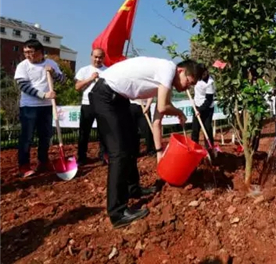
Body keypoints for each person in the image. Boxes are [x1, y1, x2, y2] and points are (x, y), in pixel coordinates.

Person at [89, 57, 202, 228]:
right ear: (181, 71)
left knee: (131, 145)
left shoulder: (166, 79)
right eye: (189, 81)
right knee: (119, 154)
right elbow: (164, 107)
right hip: (105, 97)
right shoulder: (168, 69)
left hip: (119, 100)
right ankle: (117, 213)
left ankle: (133, 189)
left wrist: (159, 151)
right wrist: (180, 112)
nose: (187, 87)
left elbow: (158, 118)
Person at [14, 39, 65, 177]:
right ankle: (24, 165)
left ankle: (43, 161)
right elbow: (23, 86)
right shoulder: (22, 66)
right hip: (29, 107)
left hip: (47, 107)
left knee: (45, 136)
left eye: (30, 52)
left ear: (40, 52)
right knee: (27, 137)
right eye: (25, 52)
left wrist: (54, 73)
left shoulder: (51, 64)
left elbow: (63, 80)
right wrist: (44, 95)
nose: (27, 55)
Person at [74, 48, 107, 165]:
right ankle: (82, 157)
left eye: (100, 57)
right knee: (84, 132)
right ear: (91, 56)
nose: (98, 59)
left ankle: (103, 155)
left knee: (103, 131)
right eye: (95, 57)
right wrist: (90, 79)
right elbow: (77, 87)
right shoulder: (84, 70)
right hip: (87, 104)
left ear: (104, 58)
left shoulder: (108, 71)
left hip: (102, 105)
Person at [191, 65, 216, 151]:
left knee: (207, 129)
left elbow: (209, 100)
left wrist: (200, 110)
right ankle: (194, 149)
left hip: (207, 108)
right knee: (195, 129)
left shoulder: (210, 83)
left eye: (204, 73)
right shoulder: (197, 78)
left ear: (206, 72)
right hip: (196, 106)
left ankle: (210, 150)